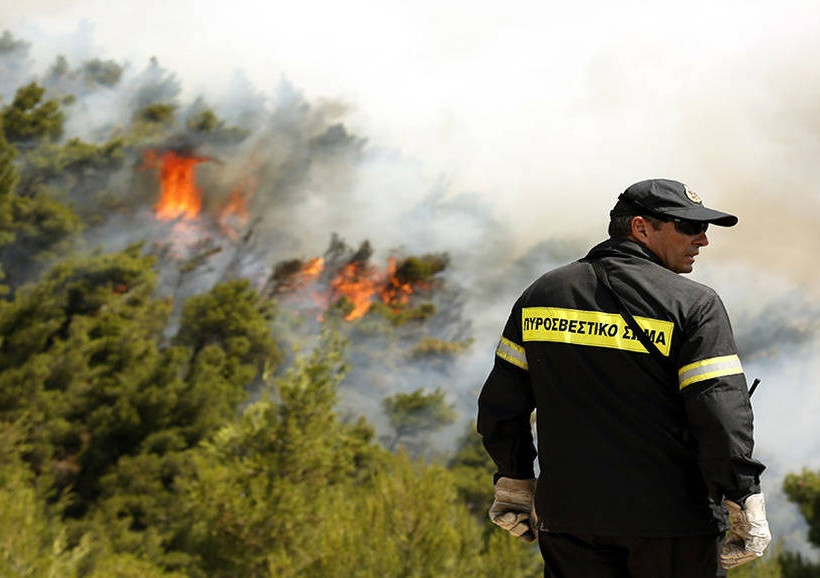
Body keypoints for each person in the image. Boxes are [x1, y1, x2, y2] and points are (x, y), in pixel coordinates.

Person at [477, 178, 771, 578]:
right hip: (673, 524)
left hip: (569, 521)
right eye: (689, 226)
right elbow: (719, 415)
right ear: (640, 227)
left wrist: (514, 479)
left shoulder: (541, 294)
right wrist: (744, 498)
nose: (703, 239)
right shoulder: (695, 305)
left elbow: (501, 407)